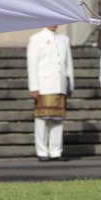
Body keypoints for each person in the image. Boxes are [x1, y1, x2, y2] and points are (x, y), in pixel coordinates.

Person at [27, 25, 74, 161]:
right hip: (44, 85)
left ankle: (55, 151)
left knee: (58, 120)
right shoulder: (36, 38)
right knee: (42, 119)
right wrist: (34, 87)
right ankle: (42, 151)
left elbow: (68, 64)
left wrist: (70, 85)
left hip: (60, 84)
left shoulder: (64, 39)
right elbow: (32, 64)